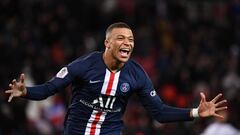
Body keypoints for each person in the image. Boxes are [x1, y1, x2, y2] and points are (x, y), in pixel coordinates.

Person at [5, 22, 227, 135]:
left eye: (130, 39)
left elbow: (159, 112)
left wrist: (196, 112)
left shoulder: (137, 74)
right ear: (107, 43)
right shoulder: (84, 65)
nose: (127, 43)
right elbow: (49, 89)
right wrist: (25, 92)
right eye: (120, 38)